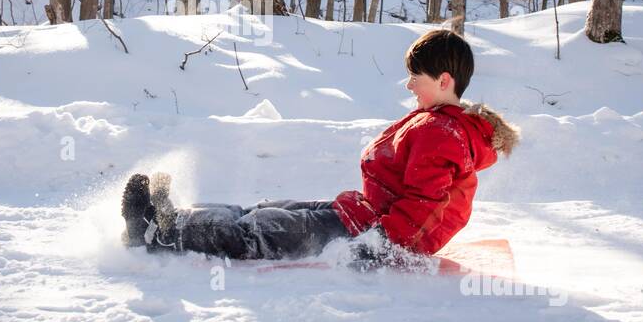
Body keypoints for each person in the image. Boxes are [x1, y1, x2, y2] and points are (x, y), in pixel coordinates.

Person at [120, 28, 520, 263]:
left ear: (444, 79)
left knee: (260, 231)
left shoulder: (441, 133)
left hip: (367, 234)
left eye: (416, 76)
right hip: (359, 213)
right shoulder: (437, 124)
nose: (409, 84)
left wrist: (377, 248)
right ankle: (171, 214)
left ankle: (158, 233)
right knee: (263, 210)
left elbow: (426, 206)